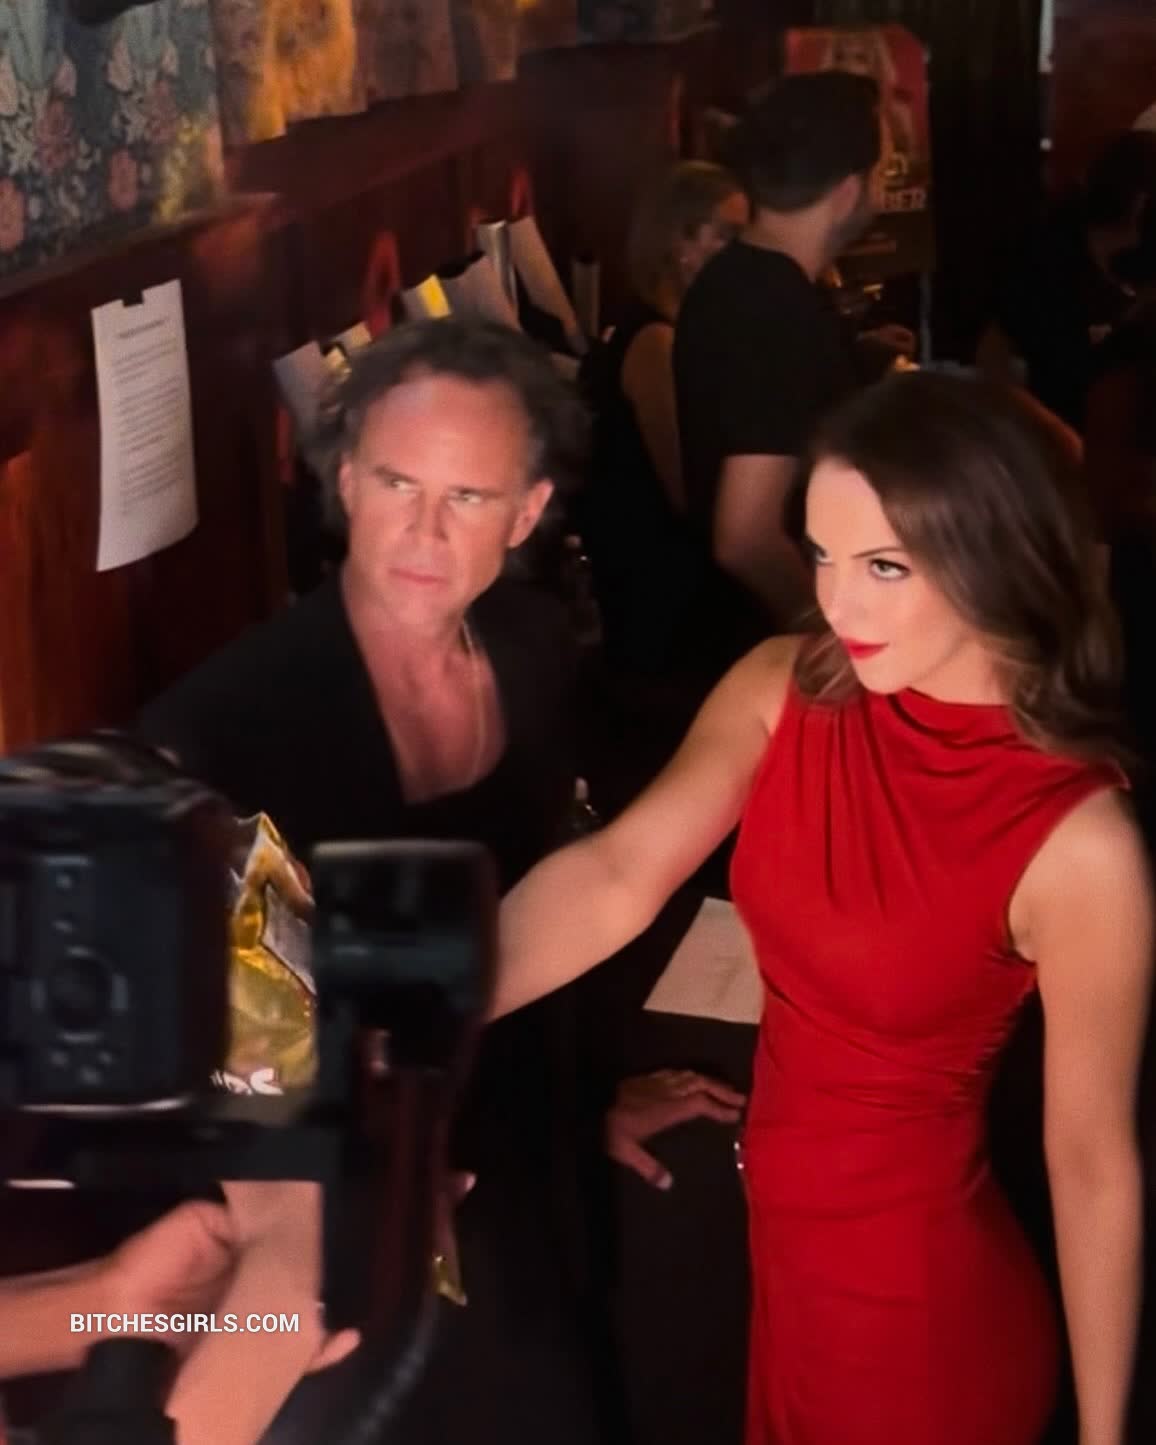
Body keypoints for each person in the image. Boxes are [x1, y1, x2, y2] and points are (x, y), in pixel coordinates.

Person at [491, 372, 1151, 1445]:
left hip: (917, 1315)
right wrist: (409, 999)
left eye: (884, 565)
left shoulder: (1081, 843)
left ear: (992, 553)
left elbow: (1091, 1161)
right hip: (787, 1259)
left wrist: (1106, 1431)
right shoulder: (787, 683)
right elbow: (615, 874)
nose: (838, 606)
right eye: (822, 555)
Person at [136, 317, 605, 1445]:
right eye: (397, 482)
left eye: (468, 497)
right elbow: (202, 1050)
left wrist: (594, 1099)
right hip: (344, 1224)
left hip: (529, 1153)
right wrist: (368, 1188)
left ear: (527, 513)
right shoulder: (223, 726)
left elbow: (544, 900)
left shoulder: (534, 643)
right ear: (345, 479)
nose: (424, 531)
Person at [673, 70, 881, 688]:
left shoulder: (741, 278)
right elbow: (745, 536)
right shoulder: (773, 306)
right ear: (848, 191)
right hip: (769, 657)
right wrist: (838, 641)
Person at [580, 160, 748, 682]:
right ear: (681, 244)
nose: (744, 253)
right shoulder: (654, 342)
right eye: (729, 236)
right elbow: (685, 486)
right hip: (659, 592)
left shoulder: (678, 330)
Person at [991, 129, 1156, 430]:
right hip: (1064, 432)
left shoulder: (1139, 258)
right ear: (1137, 203)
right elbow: (999, 356)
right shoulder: (1045, 256)